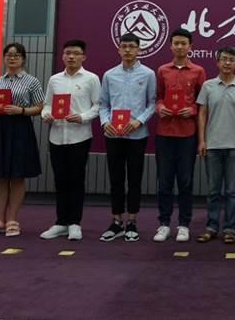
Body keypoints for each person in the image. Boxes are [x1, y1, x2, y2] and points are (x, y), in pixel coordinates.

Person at [0, 42, 44, 237]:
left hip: (20, 127)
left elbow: (40, 107)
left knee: (17, 174)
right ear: (4, 58)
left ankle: (13, 220)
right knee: (1, 175)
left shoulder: (32, 81)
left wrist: (21, 110)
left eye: (17, 55)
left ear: (23, 59)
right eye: (8, 54)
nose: (12, 58)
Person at [39, 39, 101, 241]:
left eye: (75, 53)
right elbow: (47, 104)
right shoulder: (54, 79)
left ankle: (74, 223)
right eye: (67, 53)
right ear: (63, 56)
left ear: (84, 57)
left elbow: (98, 105)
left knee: (76, 180)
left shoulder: (91, 79)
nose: (71, 57)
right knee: (60, 180)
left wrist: (82, 117)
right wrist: (46, 115)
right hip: (57, 136)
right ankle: (60, 223)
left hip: (79, 136)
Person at [98, 33, 156, 242]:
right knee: (115, 179)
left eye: (132, 46)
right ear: (119, 49)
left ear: (139, 49)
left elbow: (152, 104)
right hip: (113, 134)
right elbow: (103, 104)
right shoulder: (109, 75)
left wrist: (138, 121)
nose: (128, 50)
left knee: (134, 179)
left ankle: (132, 221)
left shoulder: (148, 74)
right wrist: (105, 122)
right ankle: (116, 221)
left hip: (136, 135)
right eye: (124, 46)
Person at [152, 28, 206, 243]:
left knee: (185, 181)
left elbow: (202, 102)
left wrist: (191, 110)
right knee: (164, 181)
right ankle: (164, 224)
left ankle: (184, 224)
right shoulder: (162, 70)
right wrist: (160, 107)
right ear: (171, 46)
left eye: (184, 43)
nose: (180, 46)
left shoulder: (198, 71)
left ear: (190, 46)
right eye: (176, 43)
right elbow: (158, 97)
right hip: (164, 133)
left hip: (187, 134)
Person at [195, 46, 235, 244]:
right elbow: (202, 114)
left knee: (232, 191)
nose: (227, 63)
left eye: (231, 60)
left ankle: (229, 228)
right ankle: (211, 227)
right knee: (213, 190)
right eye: (224, 59)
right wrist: (202, 140)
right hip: (212, 145)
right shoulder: (208, 86)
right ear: (217, 62)